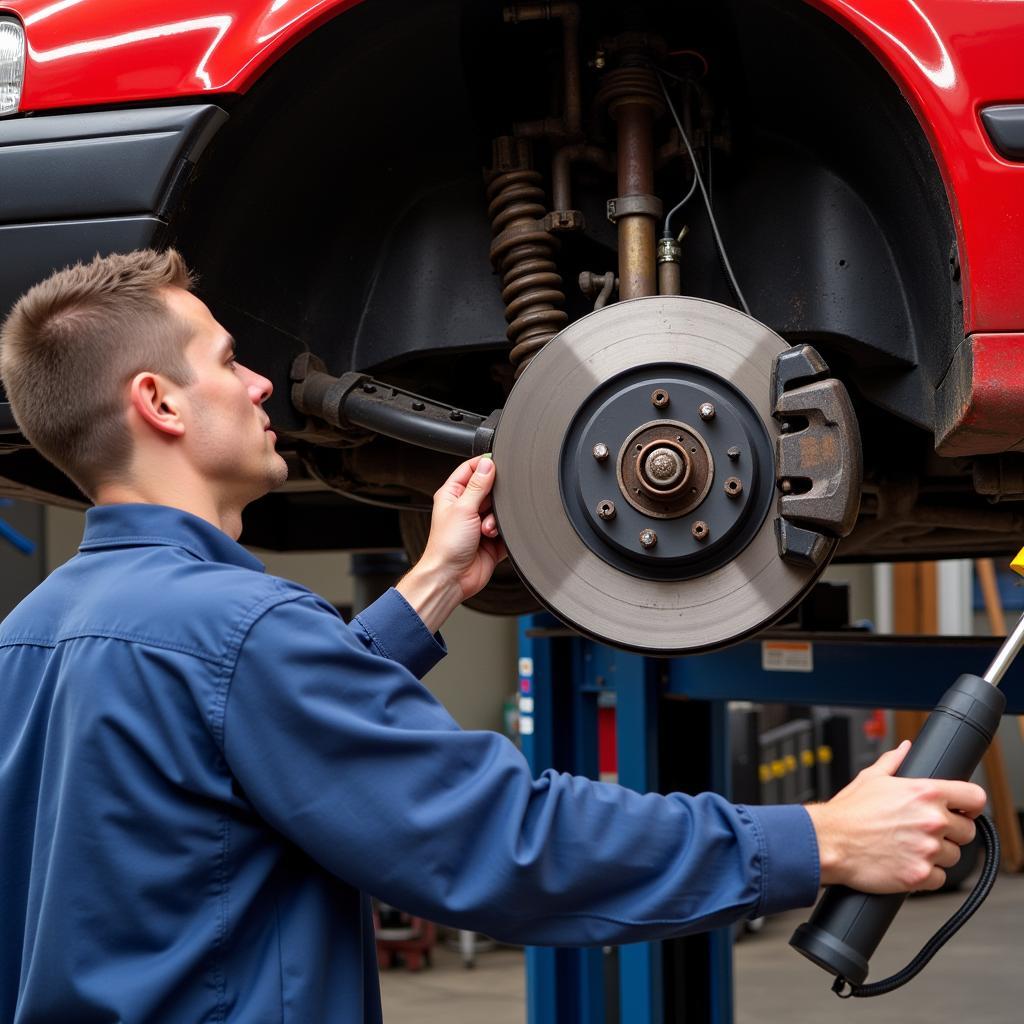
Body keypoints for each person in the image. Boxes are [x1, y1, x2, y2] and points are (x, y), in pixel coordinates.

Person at [0, 250, 985, 1023]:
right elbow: (504, 843)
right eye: (225, 360)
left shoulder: (29, 638)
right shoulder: (240, 632)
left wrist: (429, 589)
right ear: (158, 402)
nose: (259, 384)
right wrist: (816, 838)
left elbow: (236, 755)